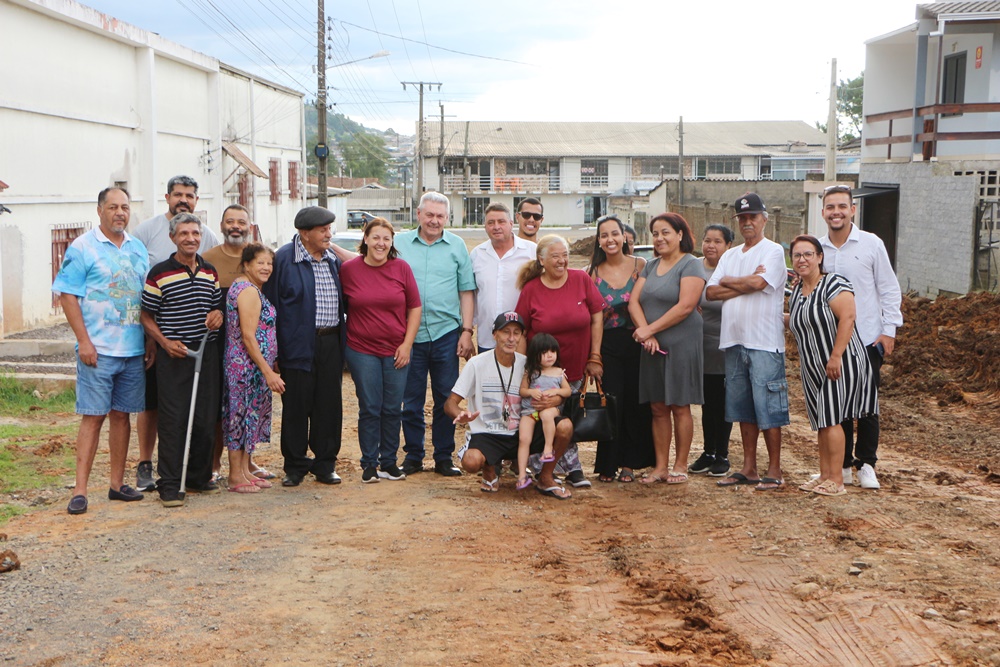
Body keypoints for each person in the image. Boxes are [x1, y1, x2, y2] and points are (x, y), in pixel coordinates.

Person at [52, 187, 149, 514]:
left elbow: (145, 300)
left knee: (122, 417)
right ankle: (80, 490)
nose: (120, 212)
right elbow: (67, 295)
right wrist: (84, 342)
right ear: (100, 211)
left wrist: (149, 342)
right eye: (112, 207)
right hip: (98, 351)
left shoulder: (138, 248)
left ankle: (117, 483)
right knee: (93, 417)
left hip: (133, 351)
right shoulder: (82, 247)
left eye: (124, 207)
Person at [132, 175, 220, 493]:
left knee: (204, 416)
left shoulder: (210, 270)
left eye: (195, 233)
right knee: (173, 418)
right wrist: (163, 342)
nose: (190, 238)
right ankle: (170, 483)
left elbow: (217, 307)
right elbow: (145, 314)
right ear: (173, 238)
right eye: (184, 233)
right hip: (174, 352)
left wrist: (218, 314)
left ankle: (198, 477)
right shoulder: (159, 272)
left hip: (204, 353)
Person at [819, 185, 902, 490]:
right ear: (823, 211)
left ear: (852, 210)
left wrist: (888, 330)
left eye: (842, 206)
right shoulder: (817, 249)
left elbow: (889, 288)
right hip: (831, 343)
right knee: (835, 405)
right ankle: (840, 465)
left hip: (867, 339)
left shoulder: (870, 244)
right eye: (830, 207)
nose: (836, 212)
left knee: (866, 406)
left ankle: (865, 463)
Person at [706, 193, 789, 491]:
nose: (747, 222)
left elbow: (759, 284)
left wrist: (730, 280)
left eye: (752, 216)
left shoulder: (774, 251)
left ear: (764, 219)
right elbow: (710, 293)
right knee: (742, 407)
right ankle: (749, 467)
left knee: (769, 407)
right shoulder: (730, 255)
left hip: (765, 341)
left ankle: (775, 469)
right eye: (742, 218)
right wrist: (742, 282)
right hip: (734, 340)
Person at [787, 236, 878, 496]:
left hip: (840, 362)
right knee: (821, 420)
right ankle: (825, 474)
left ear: (819, 257)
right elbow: (797, 321)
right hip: (813, 366)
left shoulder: (833, 283)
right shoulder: (797, 292)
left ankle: (837, 480)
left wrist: (836, 355)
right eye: (797, 255)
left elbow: (848, 317)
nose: (802, 259)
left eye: (808, 254)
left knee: (832, 418)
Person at [446, 312, 573, 499]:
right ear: (494, 334)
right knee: (471, 462)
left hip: (521, 430)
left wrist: (556, 400)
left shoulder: (530, 365)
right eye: (506, 332)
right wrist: (460, 413)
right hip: (489, 433)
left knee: (565, 426)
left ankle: (545, 477)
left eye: (516, 333)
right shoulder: (476, 364)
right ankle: (490, 468)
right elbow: (450, 403)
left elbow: (556, 389)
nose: (511, 338)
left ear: (522, 336)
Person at [262, 206, 346, 487]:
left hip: (331, 341)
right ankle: (295, 465)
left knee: (328, 404)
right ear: (304, 233)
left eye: (329, 229)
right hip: (296, 344)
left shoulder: (333, 259)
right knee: (296, 404)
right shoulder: (284, 260)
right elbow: (270, 308)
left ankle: (325, 464)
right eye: (323, 230)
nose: (328, 234)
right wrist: (273, 352)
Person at [395, 192, 476, 477]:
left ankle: (443, 456)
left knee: (446, 398)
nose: (434, 220)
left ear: (447, 218)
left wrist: (467, 331)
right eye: (429, 215)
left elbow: (466, 290)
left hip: (446, 334)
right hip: (409, 335)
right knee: (412, 399)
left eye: (440, 216)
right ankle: (414, 455)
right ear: (418, 214)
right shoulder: (398, 243)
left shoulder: (456, 245)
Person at [515, 235, 604, 488]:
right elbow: (522, 330)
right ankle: (546, 467)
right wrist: (524, 369)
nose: (561, 260)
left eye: (564, 254)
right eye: (555, 256)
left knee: (569, 419)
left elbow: (597, 317)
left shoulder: (581, 279)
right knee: (547, 417)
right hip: (541, 373)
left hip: (576, 367)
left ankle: (571, 467)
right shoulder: (532, 289)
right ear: (541, 260)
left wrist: (595, 356)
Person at [340, 218, 422, 484]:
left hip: (396, 350)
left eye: (386, 238)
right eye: (375, 237)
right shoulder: (349, 270)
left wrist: (407, 344)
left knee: (392, 407)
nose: (381, 243)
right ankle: (369, 464)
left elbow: (414, 307)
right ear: (365, 239)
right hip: (361, 350)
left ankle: (389, 462)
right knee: (370, 407)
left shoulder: (401, 268)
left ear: (392, 242)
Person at [628, 213, 705, 484]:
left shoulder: (691, 264)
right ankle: (660, 466)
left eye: (666, 232)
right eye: (656, 234)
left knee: (680, 405)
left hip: (682, 343)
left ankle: (680, 465)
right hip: (651, 345)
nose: (660, 238)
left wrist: (650, 330)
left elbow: (686, 306)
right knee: (658, 407)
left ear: (680, 234)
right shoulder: (650, 265)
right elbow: (634, 302)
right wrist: (645, 334)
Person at [203, 205, 276, 482]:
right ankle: (219, 467)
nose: (236, 226)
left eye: (241, 221)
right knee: (230, 411)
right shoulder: (209, 260)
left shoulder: (258, 264)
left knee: (247, 411)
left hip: (247, 354)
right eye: (230, 221)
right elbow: (246, 333)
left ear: (250, 225)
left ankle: (246, 466)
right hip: (230, 350)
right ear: (221, 225)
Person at [587, 214, 653, 483]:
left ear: (624, 236)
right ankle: (608, 463)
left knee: (637, 403)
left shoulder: (641, 265)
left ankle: (630, 464)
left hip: (638, 341)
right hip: (608, 344)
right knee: (611, 402)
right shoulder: (591, 273)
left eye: (614, 233)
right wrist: (594, 355)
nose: (610, 239)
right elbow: (593, 319)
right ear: (599, 241)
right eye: (604, 235)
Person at [222, 243, 284, 494]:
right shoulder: (247, 291)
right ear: (246, 264)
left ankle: (245, 470)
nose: (266, 267)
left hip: (252, 367)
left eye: (269, 263)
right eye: (260, 262)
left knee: (249, 417)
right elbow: (248, 337)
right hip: (245, 368)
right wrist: (268, 372)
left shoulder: (250, 288)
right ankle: (235, 475)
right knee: (239, 417)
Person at [689, 225, 735, 477]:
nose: (711, 245)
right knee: (707, 403)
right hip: (699, 345)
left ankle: (722, 454)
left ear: (728, 245)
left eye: (718, 241)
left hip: (725, 345)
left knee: (724, 402)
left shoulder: (732, 269)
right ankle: (708, 452)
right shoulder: (694, 267)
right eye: (707, 240)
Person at [469, 202, 536, 353]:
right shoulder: (477, 254)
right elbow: (472, 295)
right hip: (487, 338)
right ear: (485, 226)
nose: (496, 227)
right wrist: (468, 330)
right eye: (491, 223)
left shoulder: (531, 252)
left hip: (522, 338)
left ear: (511, 224)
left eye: (501, 222)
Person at [516, 334, 572, 490]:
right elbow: (522, 390)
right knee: (524, 438)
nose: (550, 355)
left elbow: (567, 391)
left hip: (549, 409)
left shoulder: (559, 372)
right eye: (545, 352)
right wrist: (531, 392)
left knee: (547, 415)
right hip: (530, 411)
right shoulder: (531, 371)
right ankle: (521, 475)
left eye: (553, 352)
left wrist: (556, 392)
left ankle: (548, 448)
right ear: (535, 354)